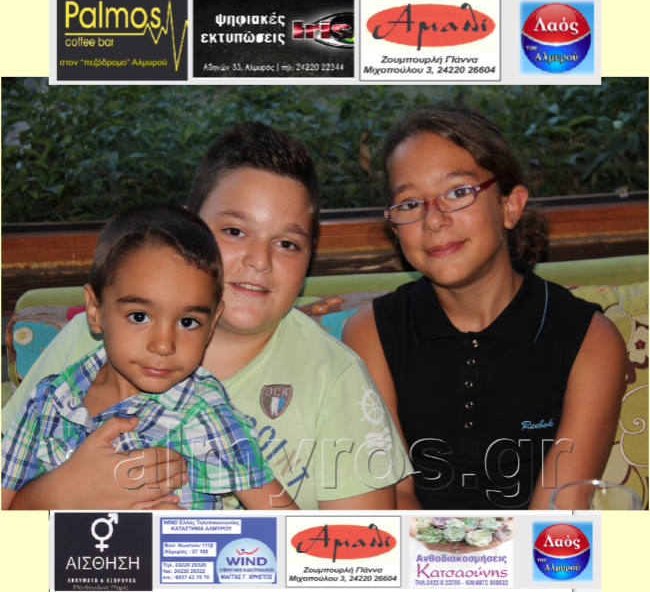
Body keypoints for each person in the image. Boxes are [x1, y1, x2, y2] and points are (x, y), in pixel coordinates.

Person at [2, 122, 409, 510]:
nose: (260, 260)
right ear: (187, 231)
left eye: (287, 243)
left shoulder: (334, 377)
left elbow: (357, 544)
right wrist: (59, 494)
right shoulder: (83, 344)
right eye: (234, 231)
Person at [342, 105, 627, 510]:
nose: (433, 220)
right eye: (409, 203)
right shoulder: (370, 332)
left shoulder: (589, 339)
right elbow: (394, 495)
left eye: (458, 192)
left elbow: (562, 502)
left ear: (510, 207)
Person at [2, 203, 297, 511]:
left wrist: (194, 533)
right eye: (139, 316)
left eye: (188, 322)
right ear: (95, 310)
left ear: (211, 324)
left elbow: (289, 529)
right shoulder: (47, 401)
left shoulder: (204, 414)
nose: (164, 345)